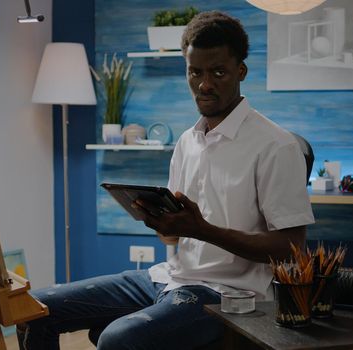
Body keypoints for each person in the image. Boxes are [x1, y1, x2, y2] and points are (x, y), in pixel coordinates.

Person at [18, 11, 314, 350]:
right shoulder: (188, 141)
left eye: (218, 72)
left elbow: (290, 250)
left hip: (228, 294)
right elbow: (174, 237)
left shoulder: (276, 147)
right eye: (195, 72)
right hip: (166, 277)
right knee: (32, 309)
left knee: (117, 340)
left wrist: (201, 229)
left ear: (240, 71)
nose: (205, 84)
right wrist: (163, 223)